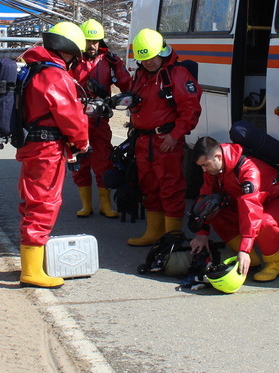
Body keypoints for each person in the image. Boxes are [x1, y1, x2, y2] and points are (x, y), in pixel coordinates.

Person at [16, 21, 90, 288]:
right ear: (69, 51)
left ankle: (31, 264)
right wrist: (81, 143)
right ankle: (32, 272)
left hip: (34, 144)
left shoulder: (34, 68)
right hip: (47, 148)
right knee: (43, 203)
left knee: (32, 202)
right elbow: (71, 116)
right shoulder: (55, 75)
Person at [189, 136, 279, 282]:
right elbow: (205, 199)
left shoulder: (248, 169)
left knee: (264, 223)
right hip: (252, 202)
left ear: (217, 156)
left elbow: (251, 210)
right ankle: (251, 262)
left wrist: (244, 250)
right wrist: (202, 233)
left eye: (206, 165)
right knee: (216, 212)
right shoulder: (214, 169)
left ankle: (273, 264)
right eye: (201, 166)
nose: (204, 170)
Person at [126, 28, 202, 246]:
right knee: (148, 186)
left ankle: (173, 237)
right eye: (144, 58)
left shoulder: (177, 75)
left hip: (165, 142)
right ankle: (154, 232)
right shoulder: (141, 74)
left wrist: (175, 136)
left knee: (171, 187)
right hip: (143, 141)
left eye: (152, 57)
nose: (149, 62)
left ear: (162, 52)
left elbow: (191, 110)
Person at [69, 19, 132, 218]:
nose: (92, 45)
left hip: (99, 120)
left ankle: (105, 205)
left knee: (103, 161)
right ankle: (86, 205)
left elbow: (127, 85)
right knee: (79, 162)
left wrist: (119, 98)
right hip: (76, 120)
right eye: (88, 41)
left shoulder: (110, 61)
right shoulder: (72, 61)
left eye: (96, 41)